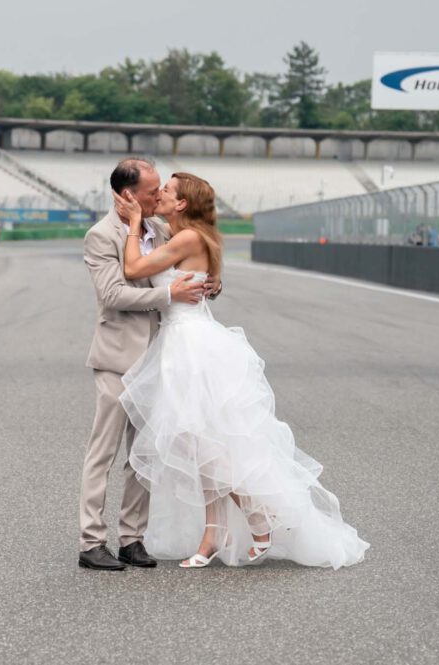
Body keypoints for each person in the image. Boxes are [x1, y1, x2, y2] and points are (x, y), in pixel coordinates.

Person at [115, 173, 369, 569]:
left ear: (181, 204)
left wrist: (132, 225)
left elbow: (133, 269)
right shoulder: (187, 234)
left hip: (191, 346)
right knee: (200, 444)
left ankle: (254, 513)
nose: (160, 192)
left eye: (168, 190)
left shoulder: (188, 238)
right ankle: (214, 533)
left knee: (205, 445)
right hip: (185, 340)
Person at [78, 158, 221, 571]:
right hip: (117, 357)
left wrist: (208, 283)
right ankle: (91, 541)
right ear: (128, 195)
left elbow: (186, 266)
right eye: (151, 191)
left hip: (162, 357)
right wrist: (170, 297)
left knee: (143, 455)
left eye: (162, 189)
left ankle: (132, 539)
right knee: (102, 453)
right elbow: (112, 294)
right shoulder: (101, 235)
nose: (159, 196)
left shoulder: (160, 229)